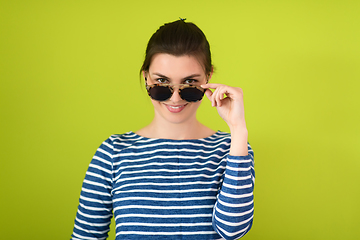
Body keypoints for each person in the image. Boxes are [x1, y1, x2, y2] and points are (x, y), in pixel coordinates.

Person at [71, 19, 255, 240]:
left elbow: (232, 230)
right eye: (161, 83)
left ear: (209, 78)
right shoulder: (113, 152)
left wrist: (238, 129)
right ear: (146, 77)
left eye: (189, 84)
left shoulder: (233, 148)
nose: (175, 98)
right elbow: (86, 236)